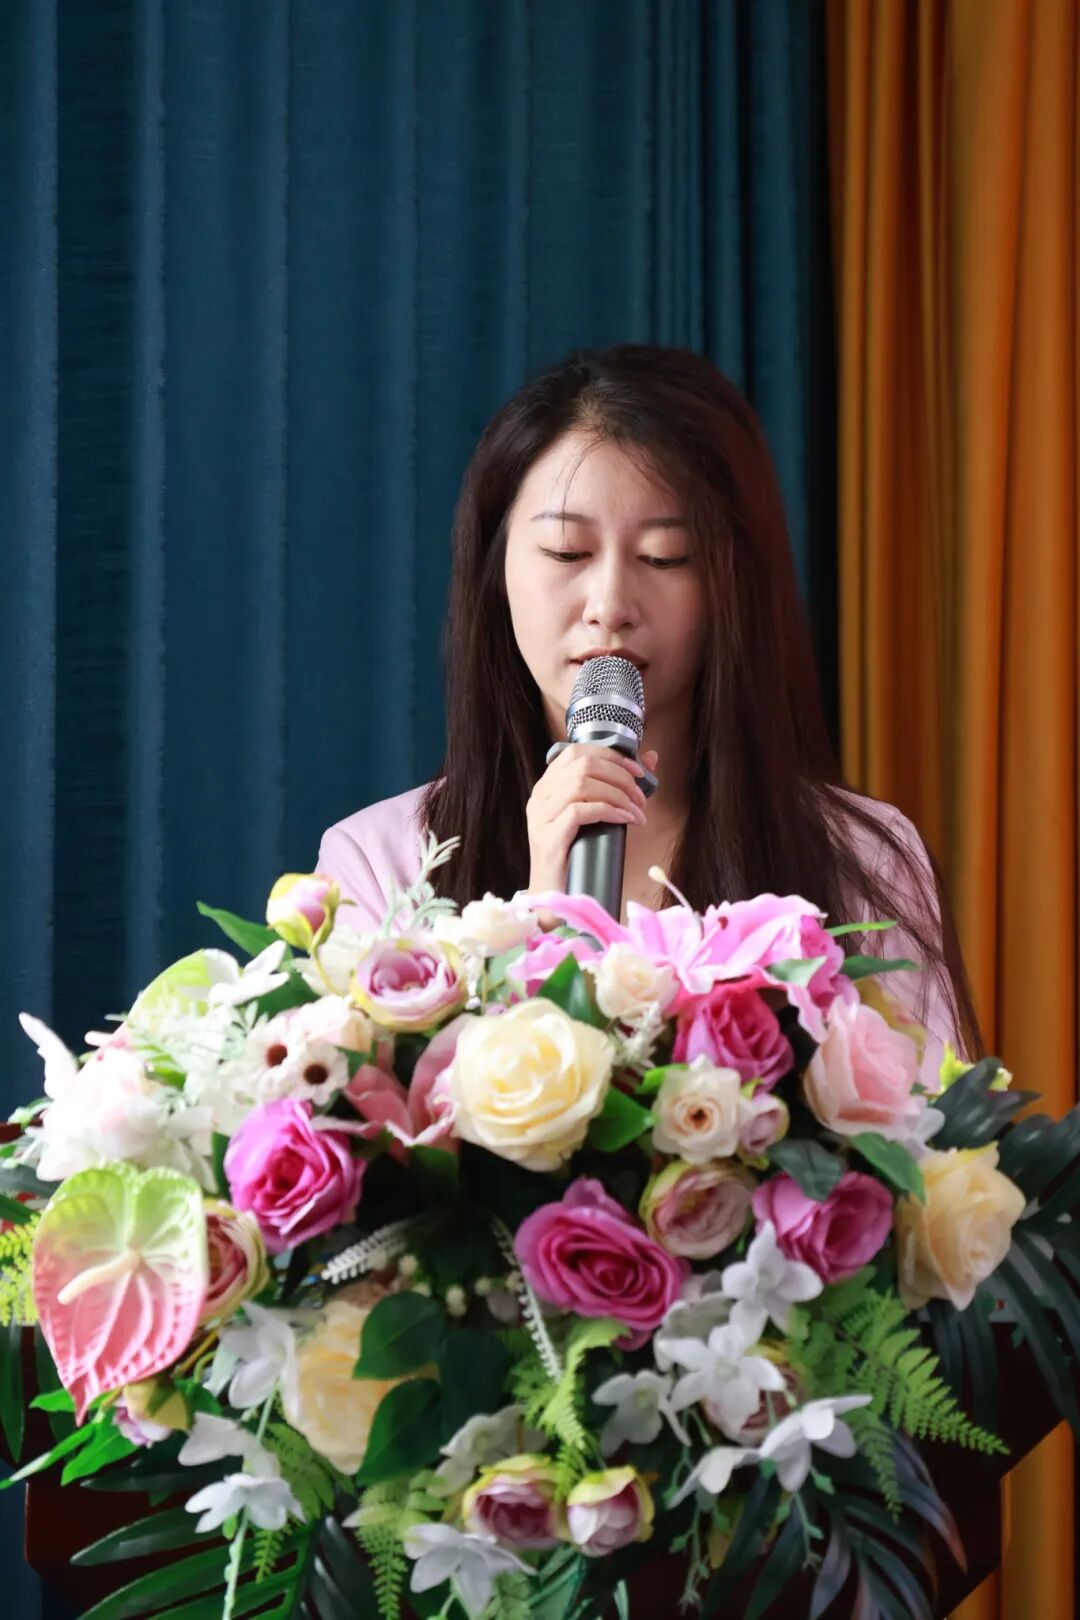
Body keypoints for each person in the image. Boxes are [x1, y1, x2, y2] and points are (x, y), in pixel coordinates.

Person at [316, 345, 980, 1080]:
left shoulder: (862, 858)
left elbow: (928, 1135)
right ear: (496, 570)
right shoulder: (380, 866)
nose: (609, 606)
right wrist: (543, 914)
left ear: (730, 583)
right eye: (565, 552)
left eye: (665, 557)